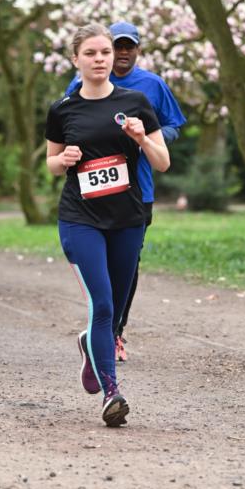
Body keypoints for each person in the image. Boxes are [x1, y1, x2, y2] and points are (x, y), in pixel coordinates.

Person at [47, 23, 170, 427]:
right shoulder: (63, 109)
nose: (100, 59)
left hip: (127, 218)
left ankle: (90, 345)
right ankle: (112, 393)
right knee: (100, 304)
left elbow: (162, 161)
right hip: (80, 219)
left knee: (114, 308)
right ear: (76, 60)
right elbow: (51, 162)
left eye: (104, 52)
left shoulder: (136, 101)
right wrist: (62, 161)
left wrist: (141, 139)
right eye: (91, 53)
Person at [66, 21, 185, 361]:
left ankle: (114, 331)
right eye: (113, 47)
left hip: (137, 188)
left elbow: (172, 124)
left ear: (137, 49)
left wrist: (153, 138)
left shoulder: (151, 86)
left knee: (127, 266)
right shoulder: (82, 84)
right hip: (90, 192)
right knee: (97, 266)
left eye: (127, 46)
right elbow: (64, 122)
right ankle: (104, 327)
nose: (120, 53)